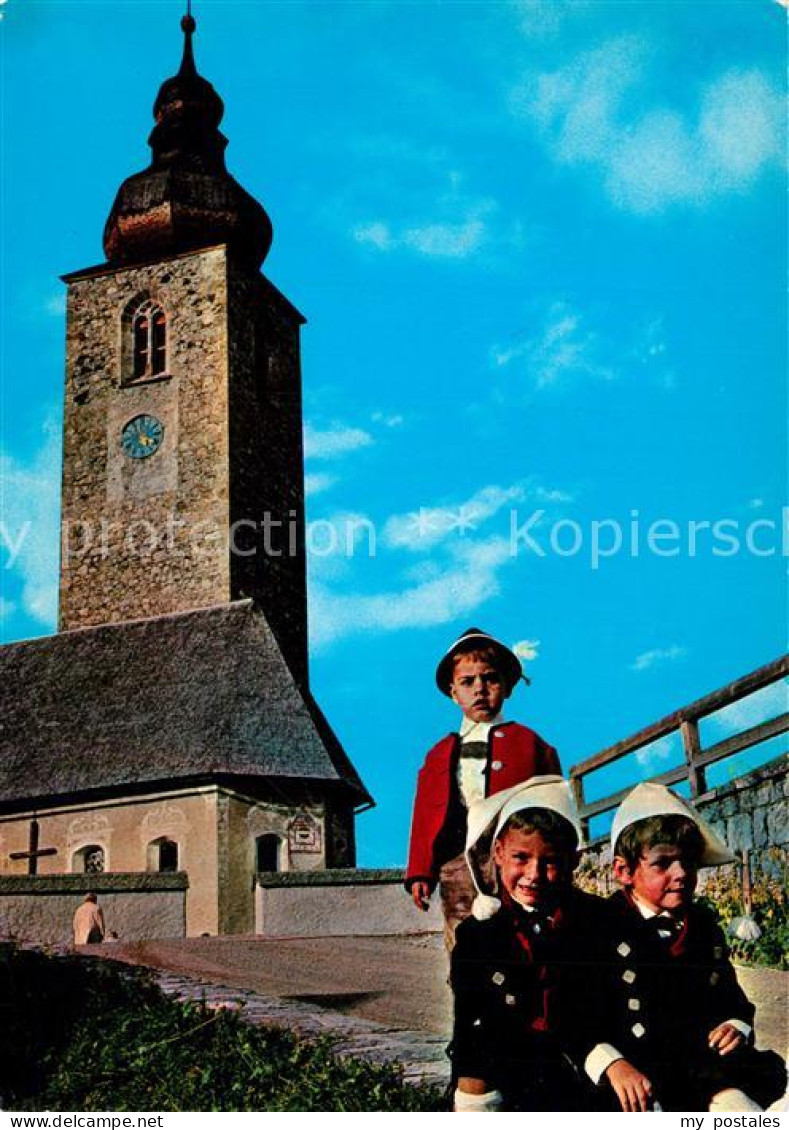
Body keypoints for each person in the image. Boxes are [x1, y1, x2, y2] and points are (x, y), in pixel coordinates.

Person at [581, 783, 786, 1113]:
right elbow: (578, 1015)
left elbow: (731, 997)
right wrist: (611, 1063)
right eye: (662, 865)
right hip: (636, 1071)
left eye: (688, 862)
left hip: (704, 1067)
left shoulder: (702, 924)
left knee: (739, 1105)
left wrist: (736, 1025)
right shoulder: (598, 927)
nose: (681, 875)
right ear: (624, 871)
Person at [450, 775, 607, 1112]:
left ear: (572, 862)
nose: (534, 874)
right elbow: (472, 1029)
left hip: (582, 1062)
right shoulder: (477, 936)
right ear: (498, 853)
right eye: (521, 858)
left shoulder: (596, 922)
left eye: (550, 861)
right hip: (509, 1070)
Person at [406, 628, 560, 945]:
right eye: (468, 682)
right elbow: (424, 816)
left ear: (507, 686)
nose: (480, 689)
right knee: (464, 938)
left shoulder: (532, 745)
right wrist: (421, 872)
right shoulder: (438, 755)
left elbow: (554, 806)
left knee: (520, 935)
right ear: (453, 691)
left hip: (516, 859)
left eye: (490, 679)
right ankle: (467, 992)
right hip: (458, 860)